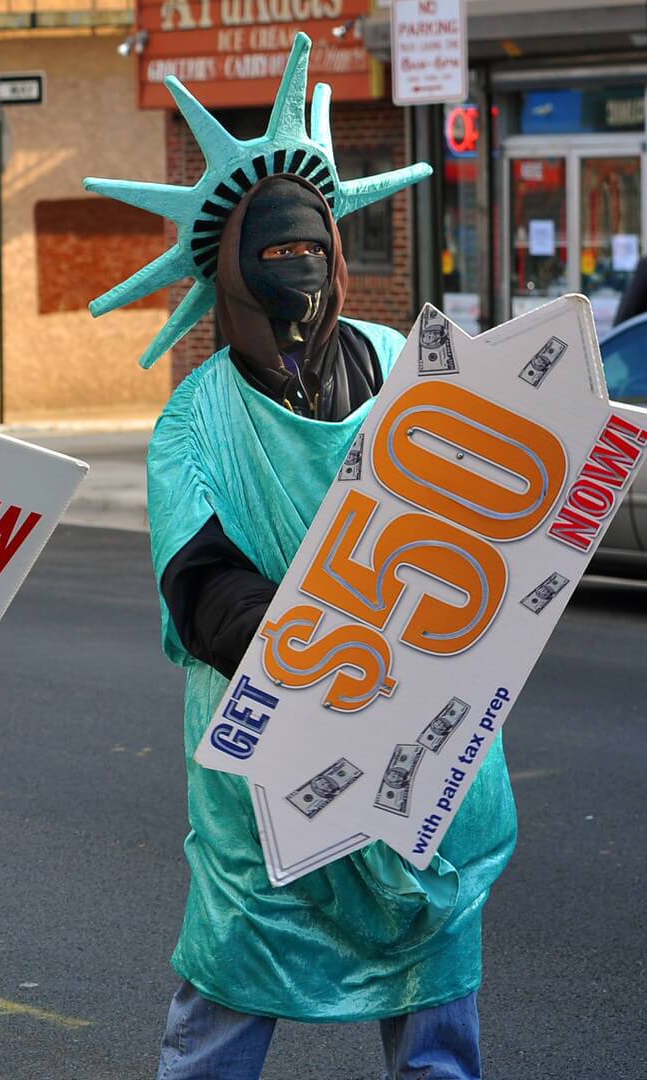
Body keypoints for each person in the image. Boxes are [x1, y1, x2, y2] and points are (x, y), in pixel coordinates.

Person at [84, 36, 516, 1080]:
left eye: (312, 246)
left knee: (435, 986)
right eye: (273, 252)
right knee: (236, 971)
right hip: (275, 737)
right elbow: (200, 582)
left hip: (421, 729)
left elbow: (487, 516)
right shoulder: (195, 421)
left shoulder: (417, 375)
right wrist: (311, 649)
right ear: (229, 268)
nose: (300, 269)